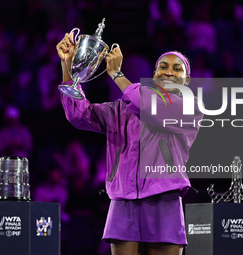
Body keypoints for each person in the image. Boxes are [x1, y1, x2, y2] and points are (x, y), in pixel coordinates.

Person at [57, 32, 203, 255]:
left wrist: (116, 74)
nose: (169, 72)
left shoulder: (189, 107)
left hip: (163, 199)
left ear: (187, 81)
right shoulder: (121, 108)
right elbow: (78, 115)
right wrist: (68, 67)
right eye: (163, 67)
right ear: (154, 75)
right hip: (123, 199)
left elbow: (147, 105)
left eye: (177, 69)